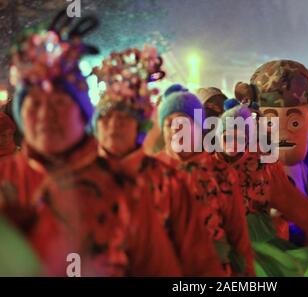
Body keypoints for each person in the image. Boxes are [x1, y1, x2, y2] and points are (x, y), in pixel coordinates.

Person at [0, 10, 180, 276]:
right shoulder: (5, 179)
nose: (44, 115)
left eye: (59, 102)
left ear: (81, 112)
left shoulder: (124, 189)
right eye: (33, 103)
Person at [92, 49, 225, 276]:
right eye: (106, 116)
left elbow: (198, 254)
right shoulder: (74, 177)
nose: (114, 125)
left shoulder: (168, 181)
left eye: (125, 116)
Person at [214, 99, 308, 276]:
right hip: (219, 246)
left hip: (259, 246)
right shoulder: (206, 169)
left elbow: (294, 204)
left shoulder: (263, 168)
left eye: (240, 137)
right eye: (228, 136)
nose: (233, 142)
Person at [156, 89, 254, 276]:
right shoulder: (149, 172)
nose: (176, 128)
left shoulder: (220, 172)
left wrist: (247, 273)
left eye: (183, 122)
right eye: (169, 123)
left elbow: (237, 232)